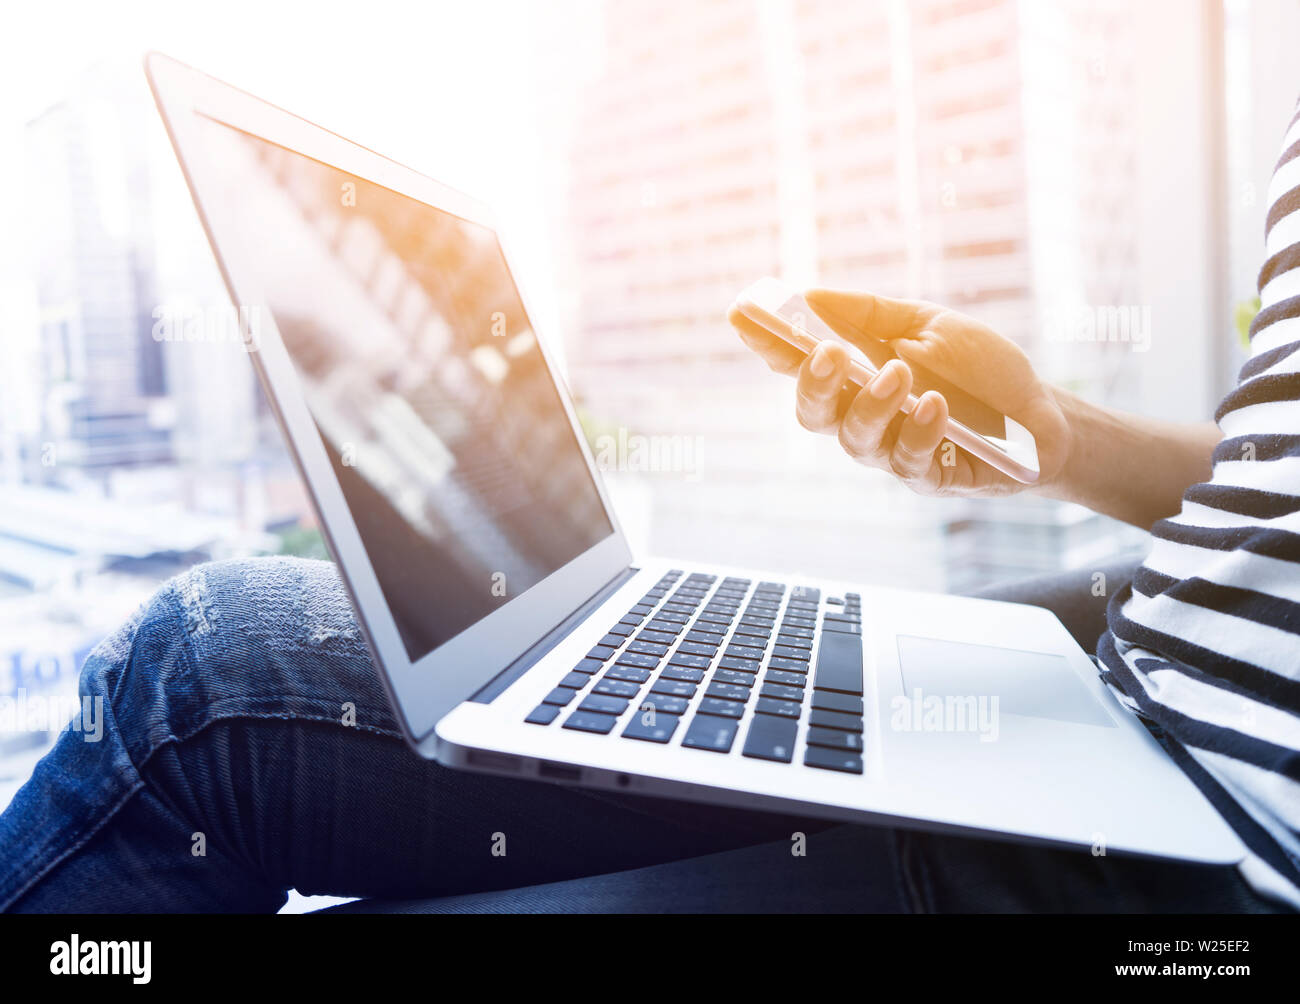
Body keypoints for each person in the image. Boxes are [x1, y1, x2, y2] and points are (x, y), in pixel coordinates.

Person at [2, 111, 1298, 916]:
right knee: (196, 668)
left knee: (196, 728)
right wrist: (1059, 438)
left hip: (1199, 864)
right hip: (1115, 686)